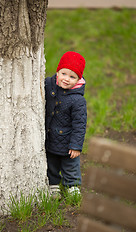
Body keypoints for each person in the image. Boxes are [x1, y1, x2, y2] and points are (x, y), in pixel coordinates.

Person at [45, 51, 87, 197]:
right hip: (51, 138)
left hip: (68, 141)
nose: (66, 79)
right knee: (52, 164)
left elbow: (80, 124)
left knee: (70, 165)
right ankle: (53, 185)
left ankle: (72, 186)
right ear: (58, 72)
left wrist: (76, 146)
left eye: (72, 77)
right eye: (64, 74)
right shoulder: (50, 85)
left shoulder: (78, 100)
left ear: (78, 79)